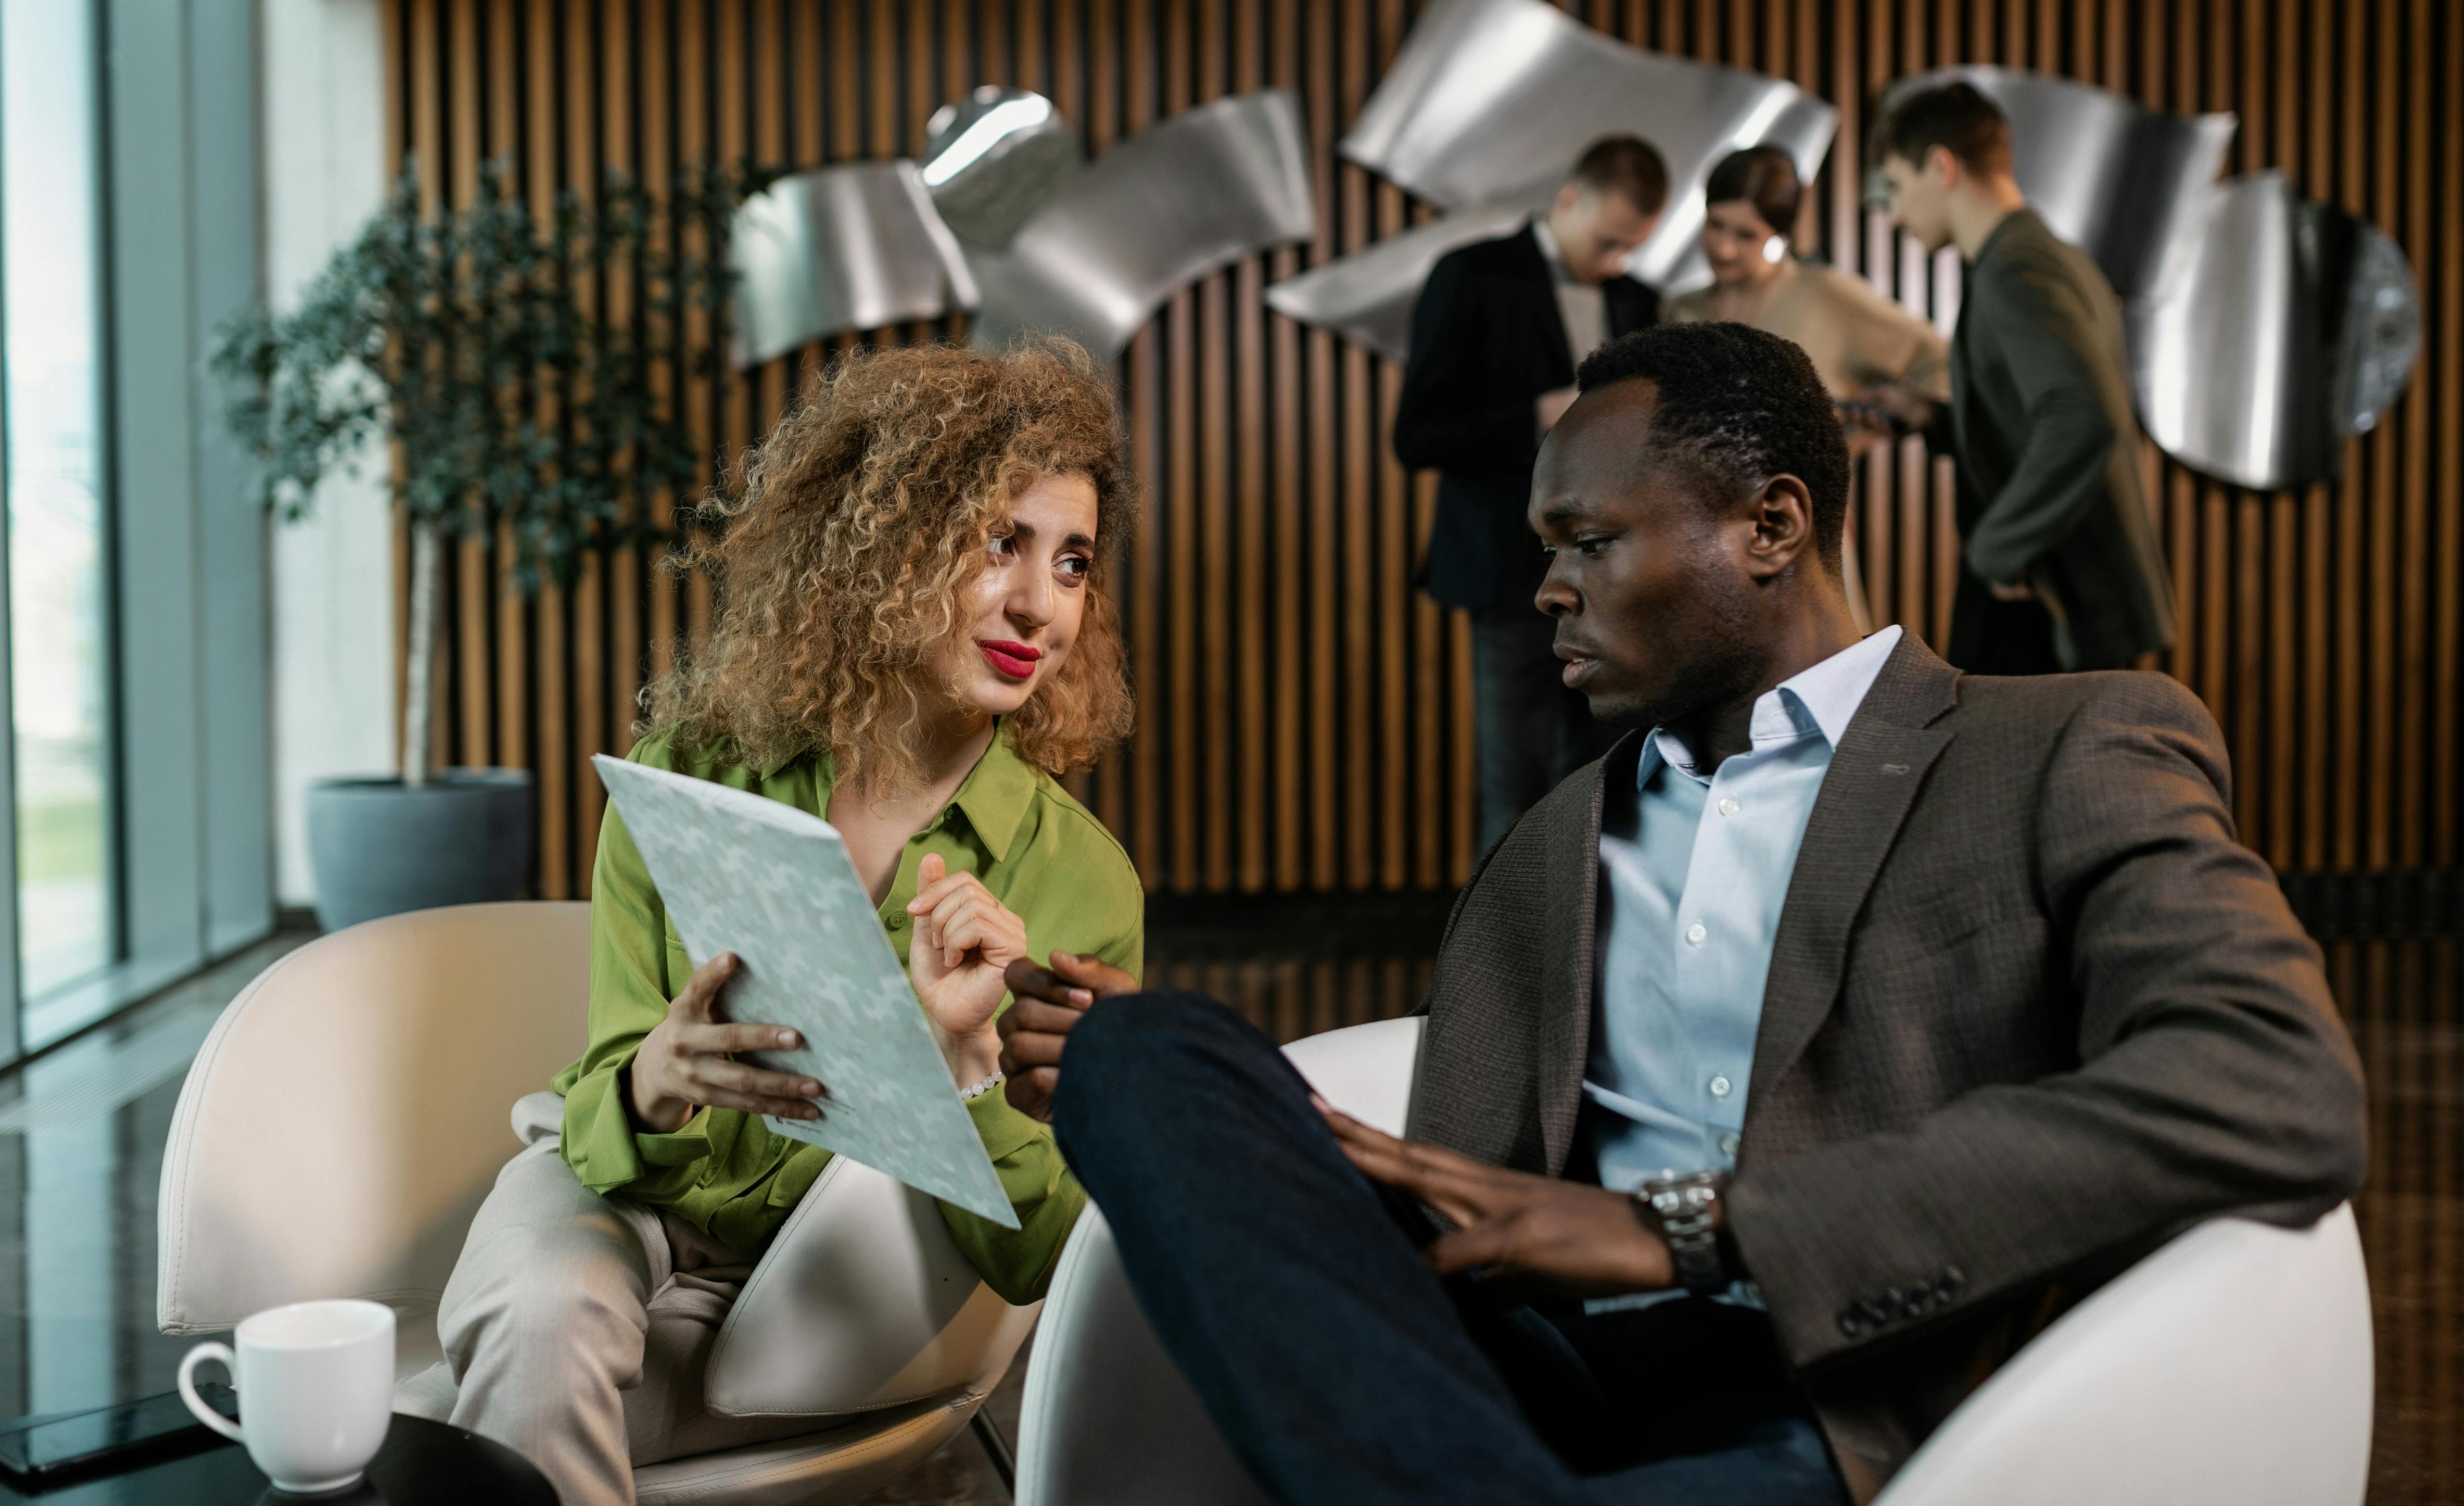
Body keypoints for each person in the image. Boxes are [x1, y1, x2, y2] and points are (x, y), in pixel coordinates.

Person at [998, 322, 2363, 1505]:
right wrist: (1239, 1116)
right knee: (1151, 1051)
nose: (1546, 588)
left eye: (1589, 541)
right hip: (1518, 1388)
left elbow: (2272, 1079)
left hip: (1841, 1397)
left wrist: (1698, 1226)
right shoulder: (1542, 849)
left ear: (1771, 527)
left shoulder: (2062, 744)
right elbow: (1451, 1223)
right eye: (1548, 548)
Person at [402, 340, 1146, 1506]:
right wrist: (656, 1077)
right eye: (999, 540)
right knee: (540, 1319)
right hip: (618, 1194)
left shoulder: (1080, 881)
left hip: (834, 1274)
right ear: (888, 546)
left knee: (476, 1420)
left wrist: (962, 1071)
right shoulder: (688, 774)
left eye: (1071, 561)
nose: (1037, 604)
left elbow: (1039, 1247)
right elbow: (602, 1103)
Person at [1393, 134, 1669, 855]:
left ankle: (1596, 946)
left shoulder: (1637, 298)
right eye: (1608, 241)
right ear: (1568, 200)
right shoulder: (1472, 275)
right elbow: (1415, 435)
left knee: (1611, 772)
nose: (1614, 263)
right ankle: (1506, 956)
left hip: (1614, 578)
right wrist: (1536, 416)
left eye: (1629, 249)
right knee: (1511, 781)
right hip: (1507, 570)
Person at [1872, 81, 2175, 674]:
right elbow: (2046, 410)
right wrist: (1933, 418)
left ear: (1940, 166)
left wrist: (1995, 550)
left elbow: (2081, 416)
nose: (1896, 214)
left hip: (2050, 599)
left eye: (1897, 188)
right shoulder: (2033, 253)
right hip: (2051, 591)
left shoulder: (2016, 265)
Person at [1662, 145, 1948, 631]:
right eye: (1716, 227)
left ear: (1779, 235)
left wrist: (1886, 421)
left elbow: (1938, 361)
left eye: (1746, 235)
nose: (1726, 248)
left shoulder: (1824, 295)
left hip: (1800, 535)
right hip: (1701, 540)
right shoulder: (1679, 312)